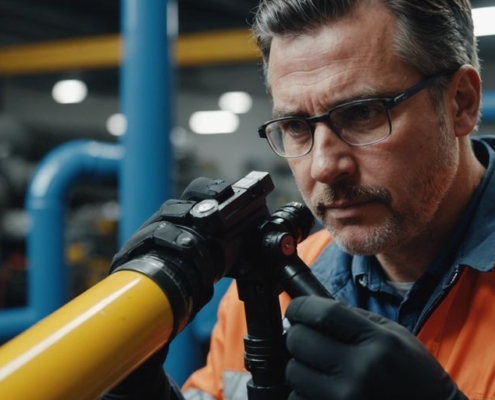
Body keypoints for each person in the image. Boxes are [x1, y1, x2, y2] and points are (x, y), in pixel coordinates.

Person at [104, 0, 495, 399]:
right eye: (295, 126)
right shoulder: (266, 292)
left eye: (362, 113)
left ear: (461, 103)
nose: (323, 166)